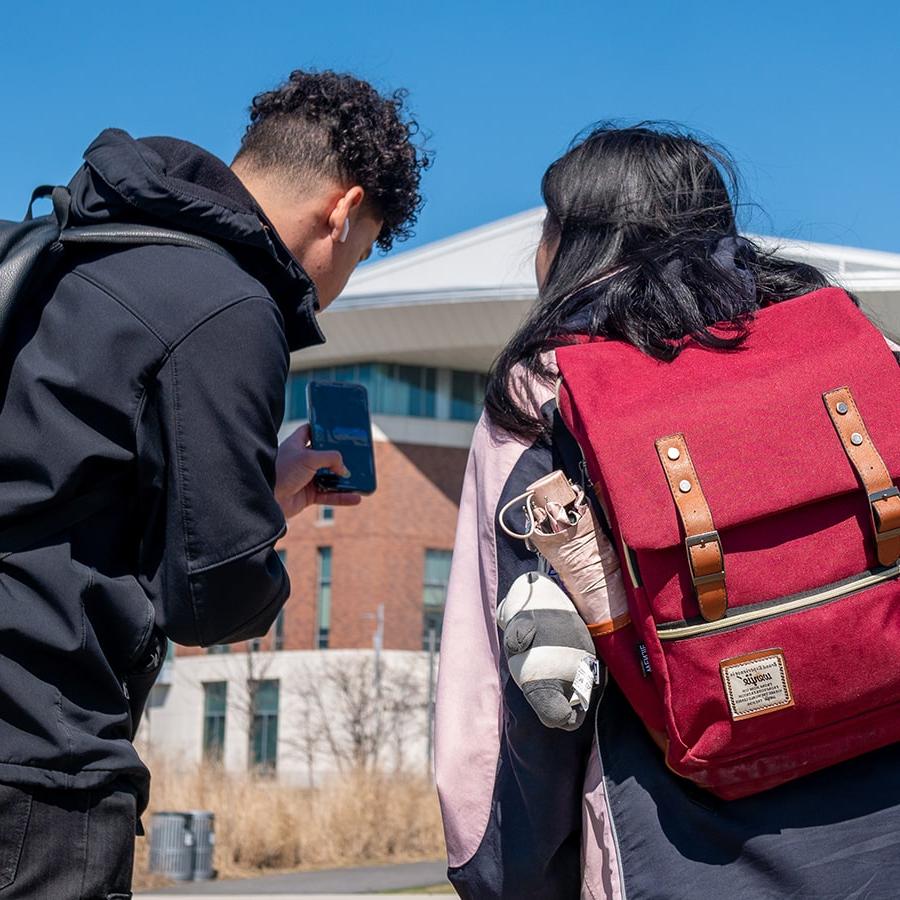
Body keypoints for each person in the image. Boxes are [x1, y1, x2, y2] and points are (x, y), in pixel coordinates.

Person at [434, 123, 900, 899]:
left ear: (574, 240)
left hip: (678, 848)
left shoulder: (542, 398)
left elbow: (519, 685)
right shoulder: (857, 348)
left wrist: (503, 878)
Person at [0, 70, 429, 897]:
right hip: (42, 758)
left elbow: (78, 485)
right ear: (342, 211)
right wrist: (261, 542)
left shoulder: (85, 243)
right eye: (363, 250)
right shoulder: (231, 304)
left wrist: (257, 489)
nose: (341, 284)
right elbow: (211, 594)